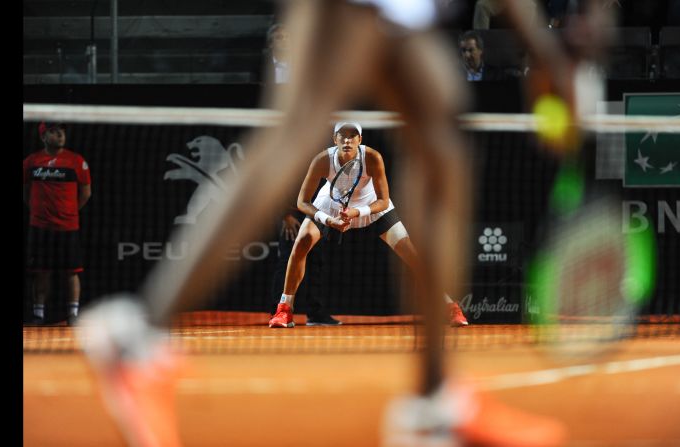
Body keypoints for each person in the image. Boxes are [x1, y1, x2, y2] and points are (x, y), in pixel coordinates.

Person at [77, 1, 567, 446]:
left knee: (440, 144)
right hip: (336, 171)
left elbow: (385, 198)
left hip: (401, 54)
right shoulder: (327, 158)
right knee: (300, 129)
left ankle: (435, 400)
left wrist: (546, 53)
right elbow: (301, 196)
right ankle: (135, 336)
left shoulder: (372, 159)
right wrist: (549, 54)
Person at [268, 122, 469, 329]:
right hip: (331, 206)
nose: (347, 140)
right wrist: (328, 219)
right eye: (342, 136)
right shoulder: (322, 160)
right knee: (301, 242)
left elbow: (383, 200)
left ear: (360, 140)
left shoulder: (372, 158)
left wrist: (357, 212)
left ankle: (449, 306)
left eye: (353, 136)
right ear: (334, 138)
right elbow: (303, 201)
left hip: (372, 207)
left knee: (411, 254)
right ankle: (284, 309)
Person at [24, 122, 91, 325]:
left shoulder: (77, 161)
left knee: (72, 271)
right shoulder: (31, 162)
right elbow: (25, 191)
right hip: (40, 227)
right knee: (41, 271)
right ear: (43, 137)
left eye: (61, 130)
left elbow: (86, 193)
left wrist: (69, 212)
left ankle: (73, 315)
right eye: (53, 131)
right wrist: (37, 211)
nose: (60, 134)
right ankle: (39, 314)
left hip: (68, 227)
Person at [270, 190, 341, 326]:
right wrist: (286, 216)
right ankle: (278, 312)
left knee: (316, 262)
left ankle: (316, 314)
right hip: (293, 215)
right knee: (288, 262)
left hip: (317, 214)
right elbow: (276, 190)